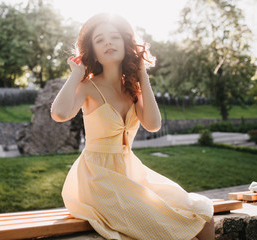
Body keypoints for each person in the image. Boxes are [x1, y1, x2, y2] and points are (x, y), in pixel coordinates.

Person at [51, 13, 214, 240]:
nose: (107, 42)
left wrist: (142, 75)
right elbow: (58, 113)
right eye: (99, 40)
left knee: (202, 214)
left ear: (126, 44)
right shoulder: (87, 87)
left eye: (114, 37)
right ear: (93, 51)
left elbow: (154, 124)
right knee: (171, 230)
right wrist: (76, 74)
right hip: (98, 178)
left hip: (131, 172)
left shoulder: (133, 88)